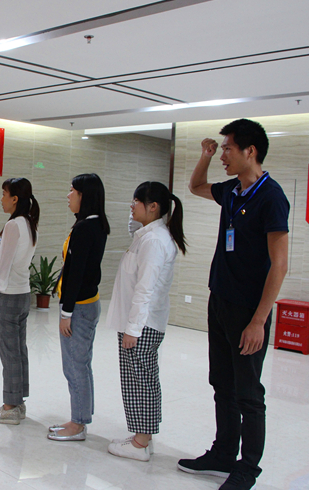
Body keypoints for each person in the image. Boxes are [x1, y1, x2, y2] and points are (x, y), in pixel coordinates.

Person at [180, 119, 289, 490]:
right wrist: (205, 156)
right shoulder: (231, 190)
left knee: (248, 392)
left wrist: (259, 320)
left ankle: (248, 467)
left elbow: (280, 264)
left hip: (248, 310)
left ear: (250, 151)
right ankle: (224, 452)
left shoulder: (271, 197)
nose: (223, 155)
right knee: (222, 383)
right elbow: (196, 187)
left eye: (227, 148)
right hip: (220, 301)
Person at [106, 181, 187, 461]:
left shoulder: (154, 240)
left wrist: (133, 329)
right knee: (137, 381)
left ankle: (141, 442)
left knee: (140, 382)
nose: (131, 206)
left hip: (142, 325)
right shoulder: (148, 235)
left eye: (136, 201)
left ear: (153, 207)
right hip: (139, 323)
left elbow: (146, 289)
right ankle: (141, 436)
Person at [48, 173, 109, 441]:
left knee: (75, 366)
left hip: (80, 308)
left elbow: (76, 275)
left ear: (84, 195)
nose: (68, 195)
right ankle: (80, 417)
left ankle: (78, 424)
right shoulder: (93, 224)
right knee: (81, 364)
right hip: (86, 304)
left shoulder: (86, 228)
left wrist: (66, 313)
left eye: (72, 190)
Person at [0, 178, 39, 425]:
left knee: (10, 354)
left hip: (8, 296)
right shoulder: (29, 224)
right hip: (22, 294)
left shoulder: (14, 225)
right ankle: (17, 402)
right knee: (18, 351)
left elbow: (3, 266)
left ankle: (10, 407)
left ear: (15, 199)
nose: (1, 199)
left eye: (4, 194)